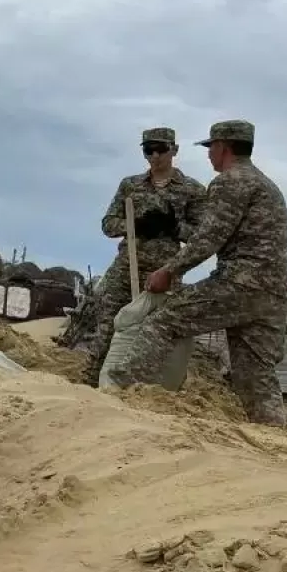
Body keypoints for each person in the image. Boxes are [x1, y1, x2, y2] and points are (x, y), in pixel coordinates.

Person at [105, 120, 287, 427]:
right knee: (257, 376)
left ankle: (121, 394)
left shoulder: (230, 181)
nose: (209, 155)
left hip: (240, 284)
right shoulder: (267, 186)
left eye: (211, 148)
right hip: (273, 295)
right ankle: (272, 438)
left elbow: (209, 238)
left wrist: (169, 270)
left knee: (163, 321)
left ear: (224, 147)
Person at [84, 127, 206, 384]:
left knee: (156, 330)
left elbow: (202, 235)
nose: (155, 155)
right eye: (148, 150)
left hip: (164, 271)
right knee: (108, 324)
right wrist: (135, 225)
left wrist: (174, 228)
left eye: (161, 149)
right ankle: (91, 382)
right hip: (127, 265)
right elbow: (108, 224)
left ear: (174, 149)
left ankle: (144, 388)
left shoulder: (191, 190)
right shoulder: (130, 185)